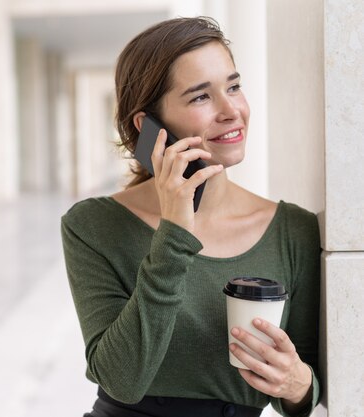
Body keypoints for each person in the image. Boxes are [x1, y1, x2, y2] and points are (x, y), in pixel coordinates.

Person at [61, 16, 321, 417]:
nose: (231, 110)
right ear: (150, 127)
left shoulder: (294, 230)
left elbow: (306, 384)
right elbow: (121, 379)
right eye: (201, 97)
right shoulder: (94, 225)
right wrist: (174, 234)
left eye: (234, 86)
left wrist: (299, 384)